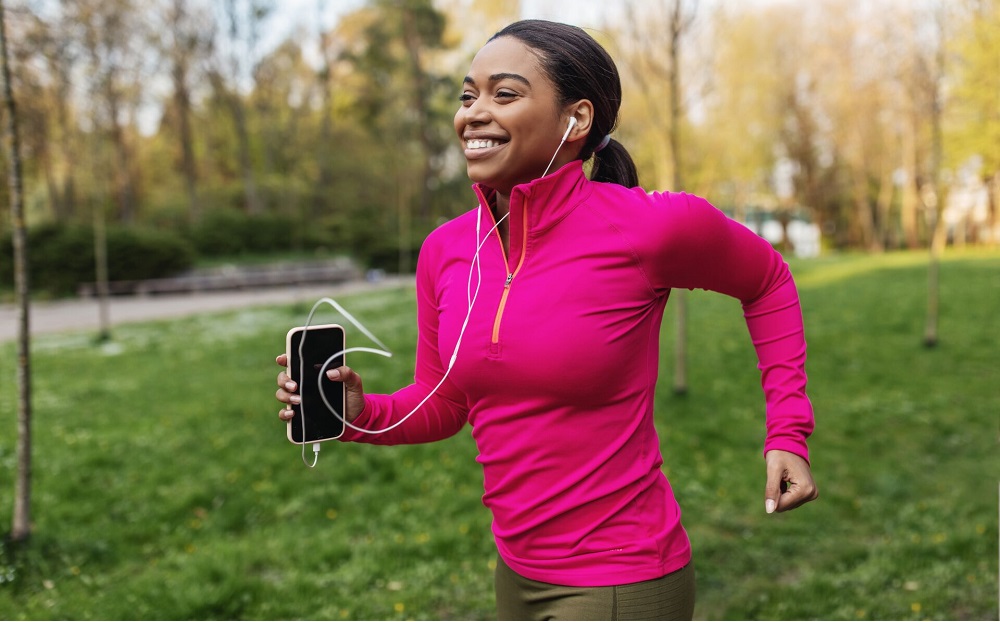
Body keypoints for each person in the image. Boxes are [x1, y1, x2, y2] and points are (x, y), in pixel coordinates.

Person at [275, 19, 817, 621]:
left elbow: (768, 280)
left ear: (576, 120)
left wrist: (787, 432)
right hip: (517, 571)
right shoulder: (447, 251)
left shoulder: (648, 227)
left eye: (504, 94)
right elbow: (445, 402)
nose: (474, 113)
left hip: (622, 575)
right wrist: (359, 414)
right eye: (467, 95)